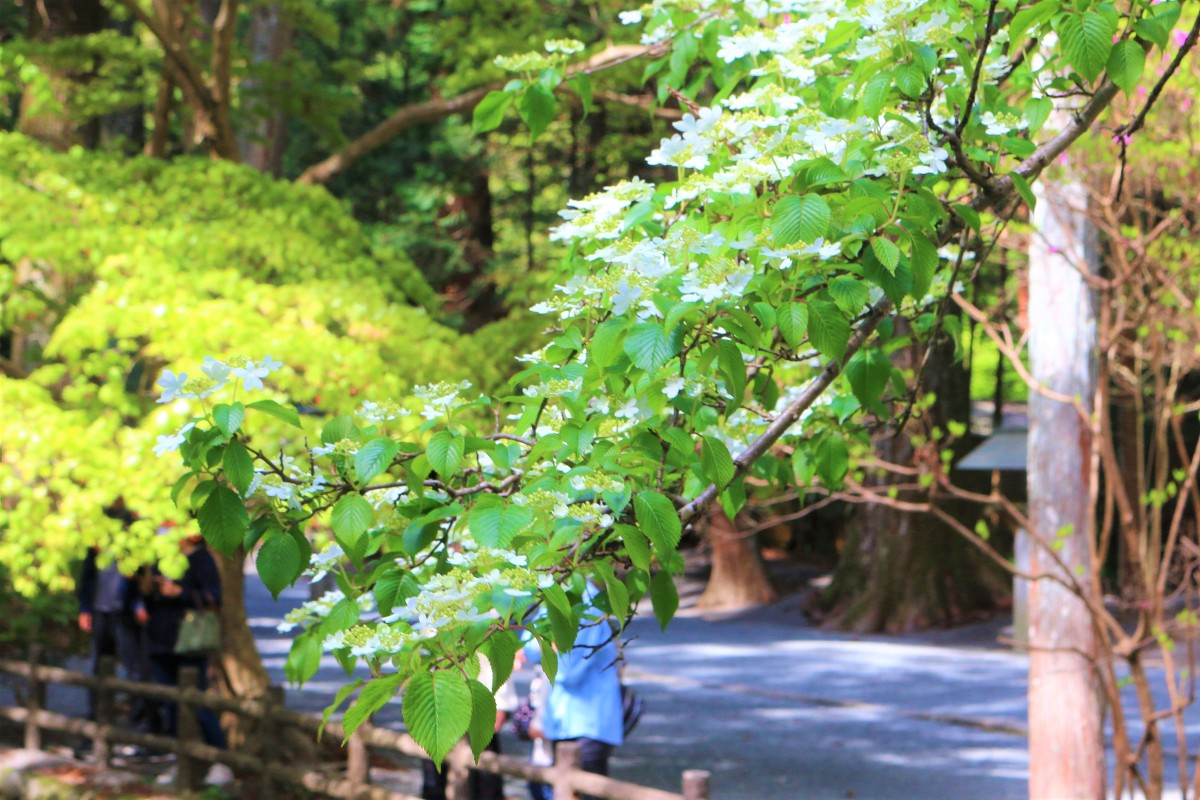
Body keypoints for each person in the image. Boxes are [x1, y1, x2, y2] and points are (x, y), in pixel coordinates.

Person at [142, 529, 231, 785]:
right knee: (170, 705)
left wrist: (179, 593)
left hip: (190, 641)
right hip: (160, 641)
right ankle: (179, 761)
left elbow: (215, 596)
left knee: (198, 703)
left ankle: (221, 761)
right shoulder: (158, 557)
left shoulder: (200, 558)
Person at [523, 582, 624, 798]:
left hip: (588, 725)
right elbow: (529, 648)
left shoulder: (587, 604)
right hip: (560, 722)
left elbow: (569, 672)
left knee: (584, 790)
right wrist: (552, 647)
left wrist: (550, 647)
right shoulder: (554, 593)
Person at [76, 505, 156, 745]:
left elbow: (144, 580)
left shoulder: (133, 547)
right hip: (101, 612)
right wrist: (85, 609)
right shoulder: (96, 546)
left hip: (124, 613)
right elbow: (87, 577)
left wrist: (138, 605)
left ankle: (140, 723)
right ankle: (96, 723)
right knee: (98, 668)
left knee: (135, 670)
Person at [420, 654, 519, 800]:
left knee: (485, 783)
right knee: (434, 783)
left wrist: (501, 703)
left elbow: (495, 655)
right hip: (440, 712)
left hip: (479, 710)